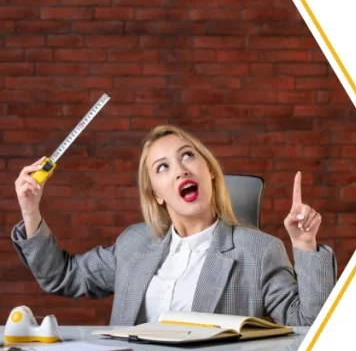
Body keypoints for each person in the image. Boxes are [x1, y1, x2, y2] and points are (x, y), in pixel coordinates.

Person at [10, 124, 337, 327]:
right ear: (156, 193)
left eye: (187, 156)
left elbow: (309, 325)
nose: (180, 170)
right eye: (162, 167)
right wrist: (31, 211)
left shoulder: (259, 251)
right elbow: (62, 277)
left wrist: (305, 245)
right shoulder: (134, 244)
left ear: (209, 170)